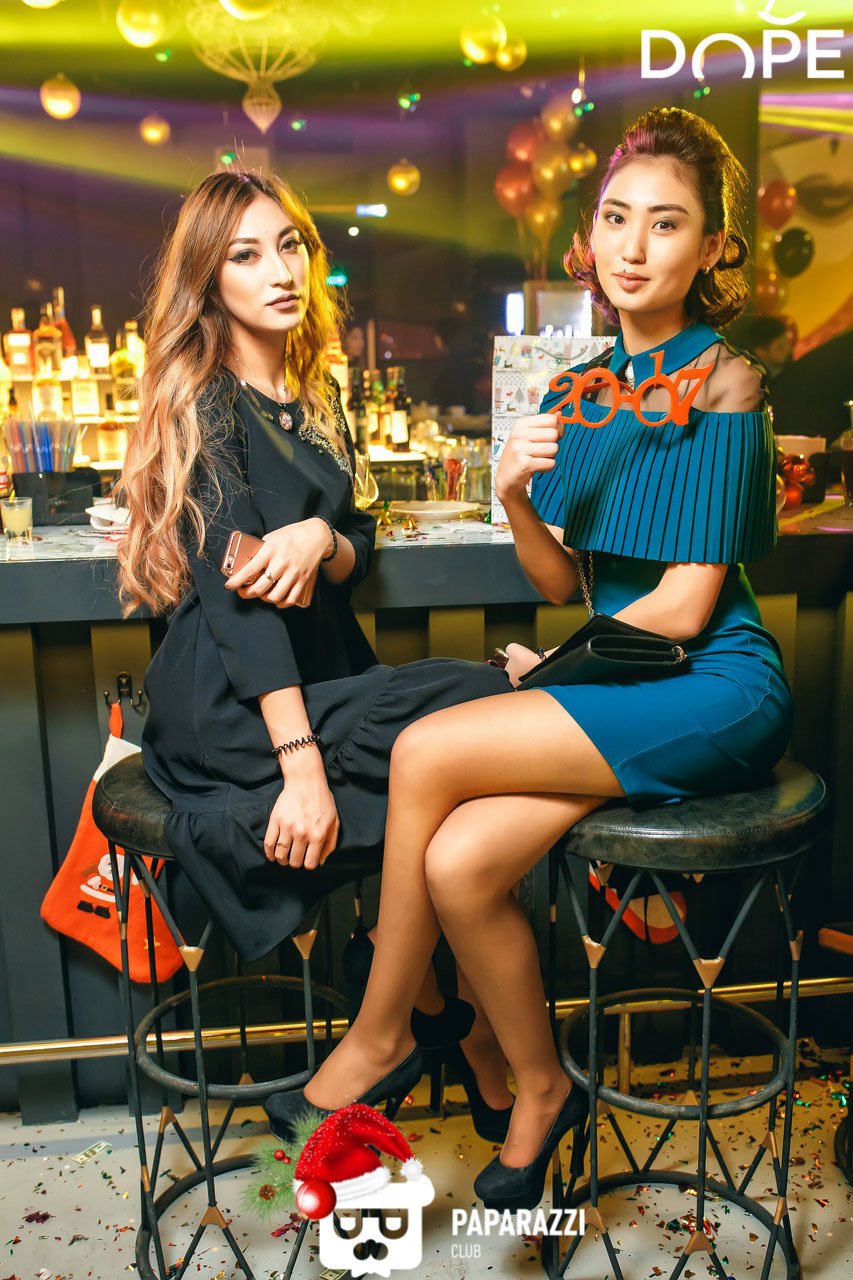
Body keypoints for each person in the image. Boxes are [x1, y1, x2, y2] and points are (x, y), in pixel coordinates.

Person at [265, 107, 794, 1213]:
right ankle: (543, 1087)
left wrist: (552, 675)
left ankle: (381, 1034)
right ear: (586, 236)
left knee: (424, 749)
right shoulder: (578, 387)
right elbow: (562, 581)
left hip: (713, 686)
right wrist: (512, 493)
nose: (633, 246)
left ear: (711, 248)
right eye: (615, 218)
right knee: (459, 866)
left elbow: (685, 607)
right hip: (625, 679)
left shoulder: (726, 380)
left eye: (666, 224)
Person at [115, 171, 514, 1111]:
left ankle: (428, 1011)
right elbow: (237, 606)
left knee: (469, 759)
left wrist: (317, 539)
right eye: (246, 254)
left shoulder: (315, 388)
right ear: (209, 280)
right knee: (489, 700)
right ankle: (440, 1022)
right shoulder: (205, 401)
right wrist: (299, 770)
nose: (280, 270)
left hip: (325, 678)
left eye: (290, 244)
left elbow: (359, 536)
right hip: (232, 706)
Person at [726, 313, 793, 381]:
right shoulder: (754, 380)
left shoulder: (790, 363)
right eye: (780, 347)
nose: (788, 349)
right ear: (761, 352)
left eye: (787, 342)